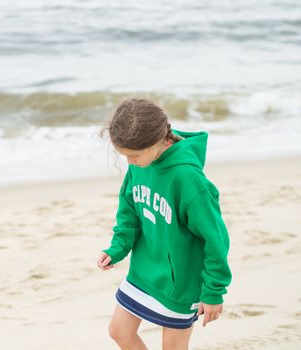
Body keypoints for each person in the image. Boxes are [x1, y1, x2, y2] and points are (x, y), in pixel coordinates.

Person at [97, 97, 232, 350]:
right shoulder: (139, 164)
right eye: (124, 156)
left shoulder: (187, 178)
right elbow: (129, 212)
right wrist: (118, 248)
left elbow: (215, 238)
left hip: (179, 284)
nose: (130, 162)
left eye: (134, 155)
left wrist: (214, 290)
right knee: (119, 331)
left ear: (159, 140)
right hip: (143, 271)